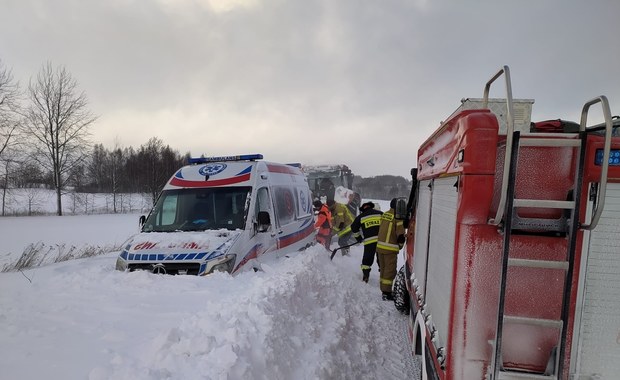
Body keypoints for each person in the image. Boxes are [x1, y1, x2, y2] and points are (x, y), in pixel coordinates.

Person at [376, 198, 406, 301]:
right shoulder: (398, 217)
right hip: (390, 249)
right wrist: (401, 246)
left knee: (383, 270)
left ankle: (383, 290)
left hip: (380, 247)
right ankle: (387, 293)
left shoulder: (385, 214)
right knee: (390, 271)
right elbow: (401, 235)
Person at [345, 201, 383, 283]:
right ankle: (383, 276)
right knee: (381, 258)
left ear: (363, 209)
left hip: (369, 242)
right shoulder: (380, 214)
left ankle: (366, 276)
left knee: (367, 260)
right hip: (381, 241)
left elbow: (354, 228)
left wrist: (359, 238)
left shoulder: (360, 217)